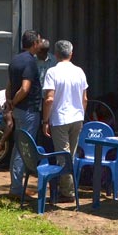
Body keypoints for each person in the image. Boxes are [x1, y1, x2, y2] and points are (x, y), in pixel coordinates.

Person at [41, 40, 89, 198]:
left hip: (60, 119)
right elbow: (85, 99)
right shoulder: (79, 71)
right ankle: (68, 189)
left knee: (63, 157)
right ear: (71, 53)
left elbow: (49, 99)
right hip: (77, 118)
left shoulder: (52, 72)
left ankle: (67, 192)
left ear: (55, 55)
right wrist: (81, 114)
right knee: (71, 155)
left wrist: (45, 120)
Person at [6, 30, 42, 197]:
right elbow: (25, 88)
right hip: (28, 110)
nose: (40, 44)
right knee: (24, 149)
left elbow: (9, 85)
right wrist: (14, 101)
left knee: (18, 147)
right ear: (34, 43)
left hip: (19, 110)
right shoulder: (30, 61)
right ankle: (16, 189)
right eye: (39, 41)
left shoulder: (15, 60)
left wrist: (10, 103)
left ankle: (16, 185)